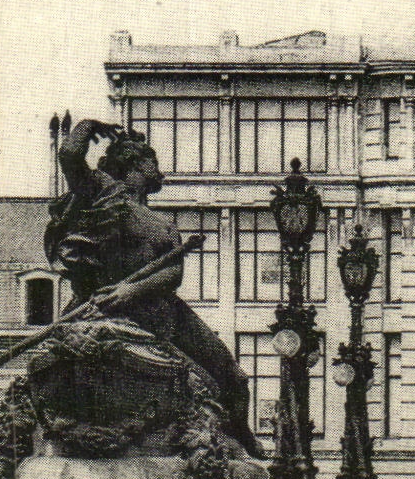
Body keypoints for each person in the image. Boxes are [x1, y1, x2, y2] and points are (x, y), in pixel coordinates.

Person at [46, 119, 262, 458]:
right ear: (134, 164)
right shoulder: (102, 192)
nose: (159, 170)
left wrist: (135, 290)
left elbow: (174, 274)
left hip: (159, 308)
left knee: (234, 377)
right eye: (153, 162)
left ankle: (241, 436)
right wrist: (89, 126)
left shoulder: (165, 223)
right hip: (104, 305)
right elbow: (70, 155)